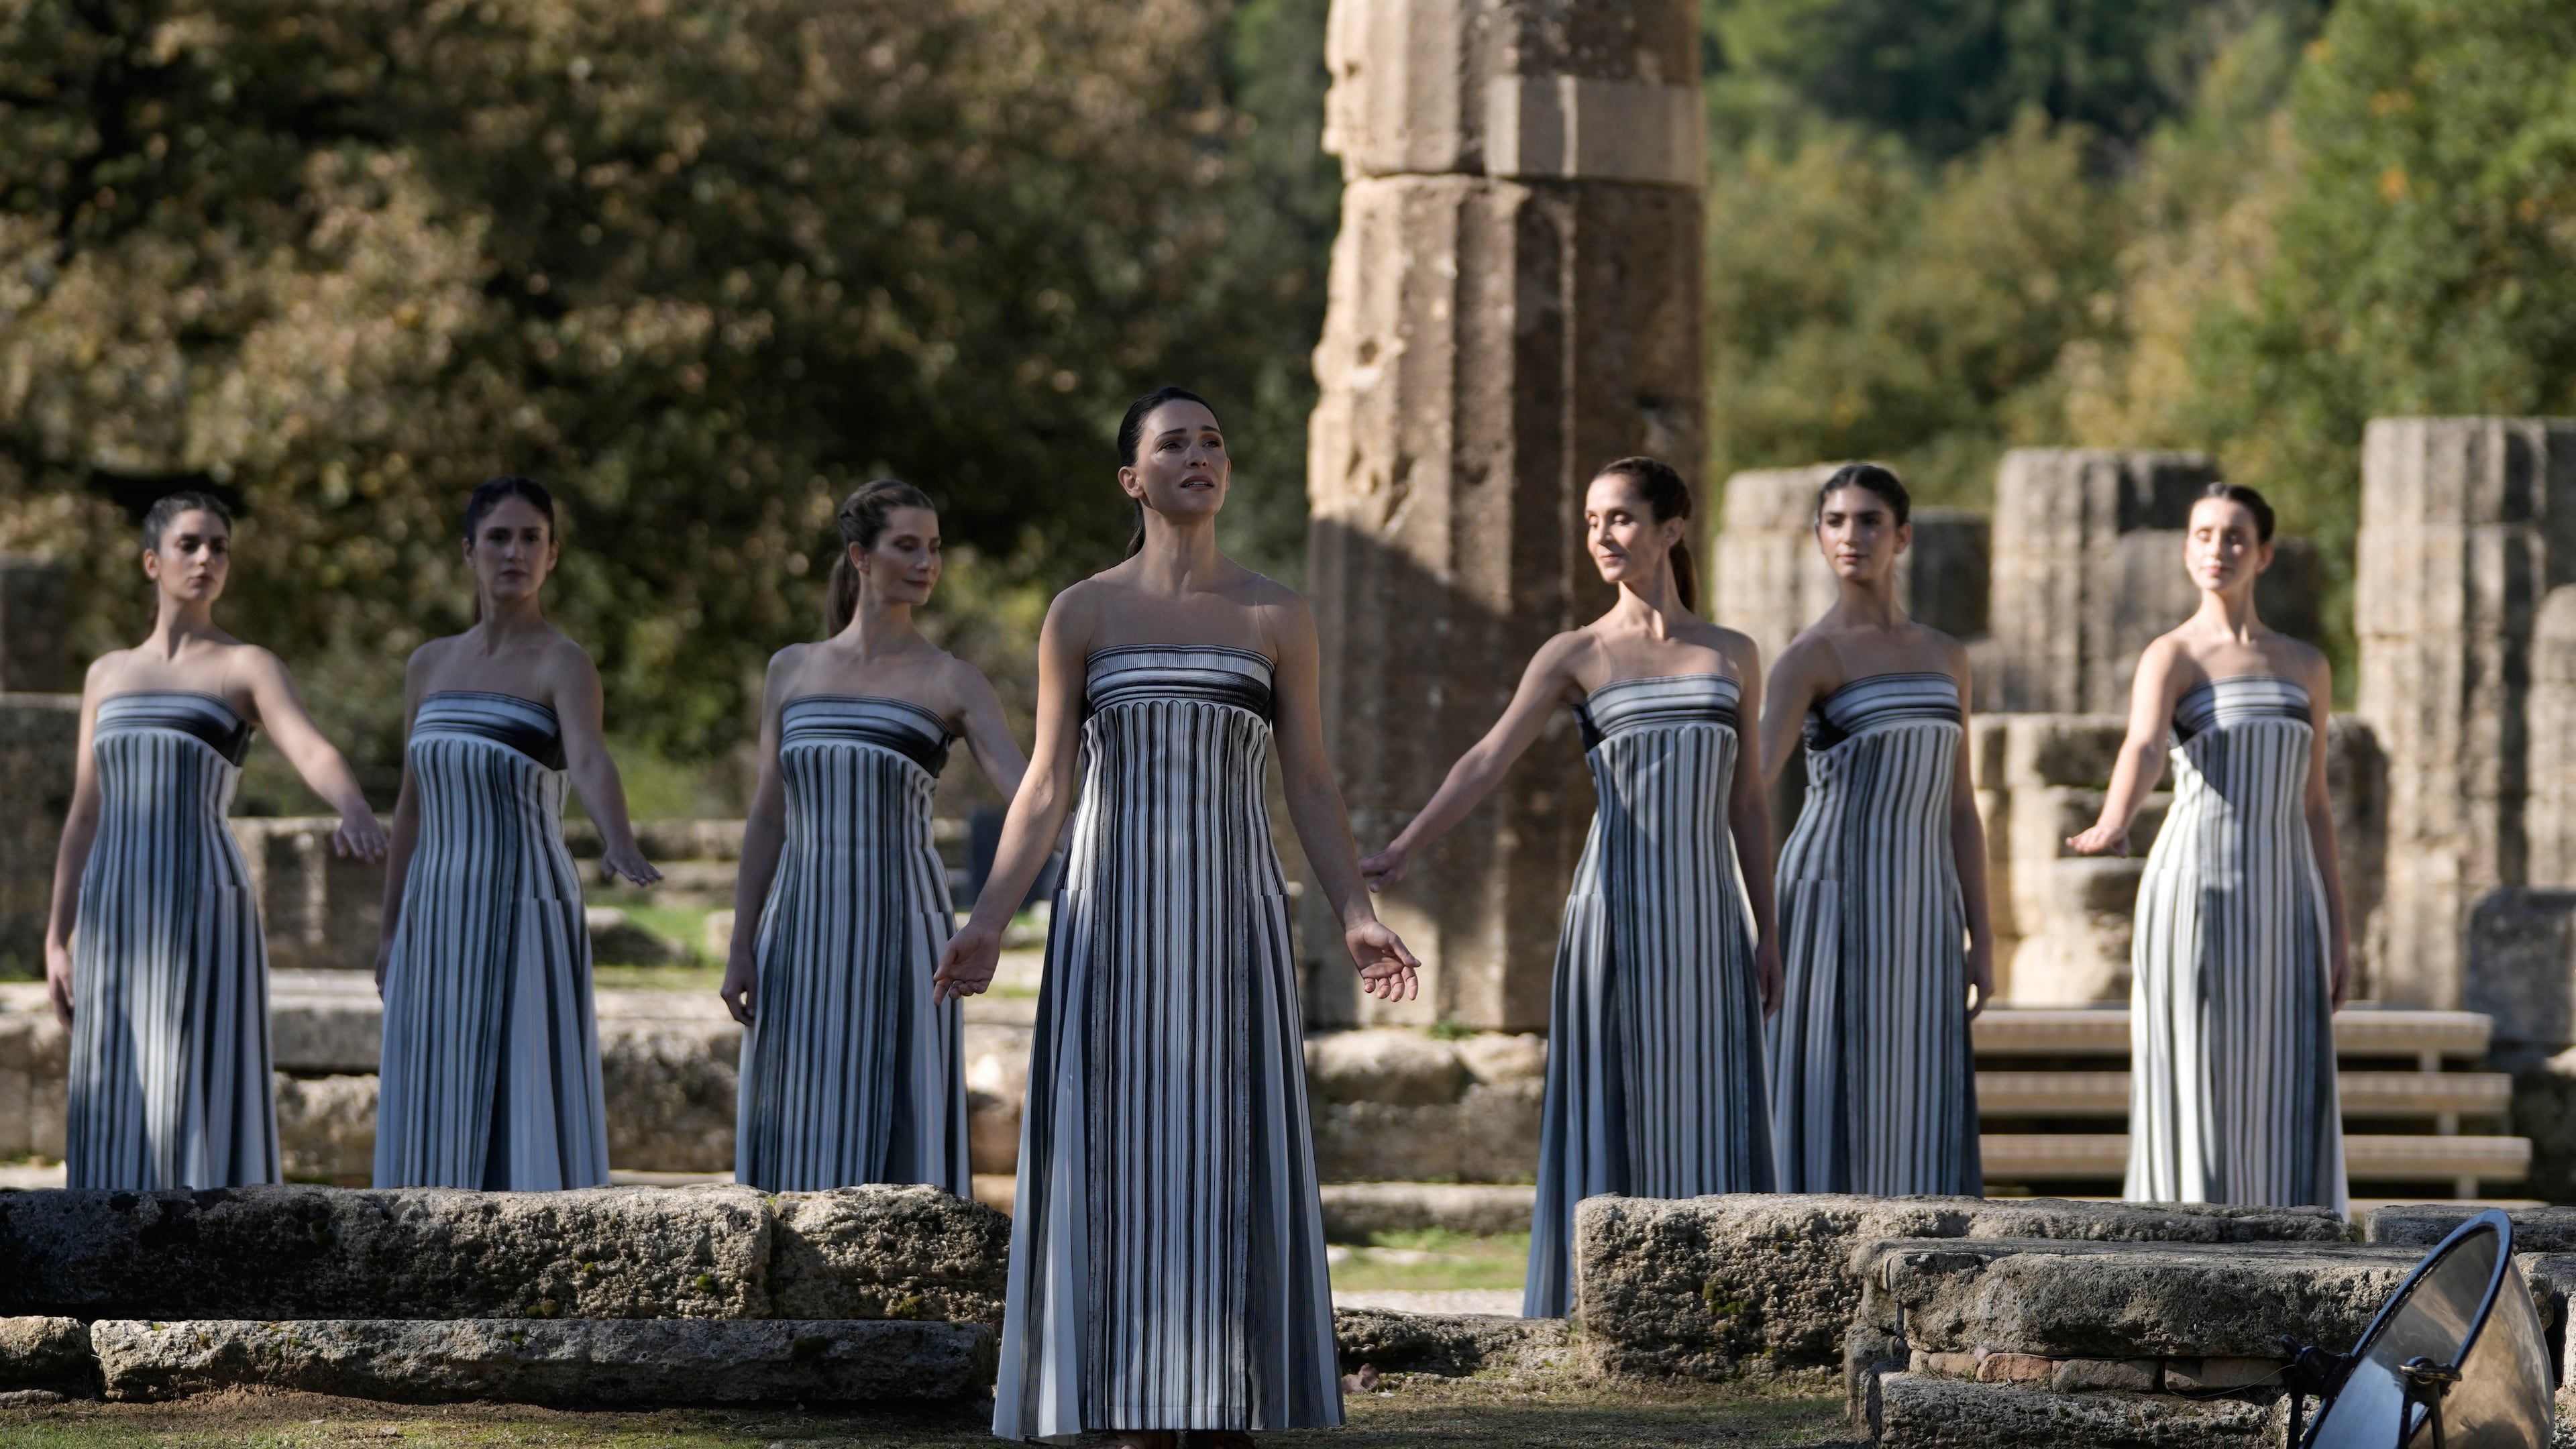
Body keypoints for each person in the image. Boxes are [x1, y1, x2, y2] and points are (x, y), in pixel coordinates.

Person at [935, 386, 1419, 1447]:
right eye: (1174, 444)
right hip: (1110, 921)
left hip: (1234, 925)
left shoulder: (1276, 615)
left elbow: (1311, 783)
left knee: (1227, 1156)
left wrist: (1356, 912)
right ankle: (1121, 1407)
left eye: (1213, 442)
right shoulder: (1083, 613)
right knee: (1116, 1159)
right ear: (1133, 479)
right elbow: (1045, 787)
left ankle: (1226, 1403)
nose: (1199, 456)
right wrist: (990, 920)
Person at [1358, 455, 1780, 1320]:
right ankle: (1600, 1308)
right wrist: (1405, 847)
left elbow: (1747, 803)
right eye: (1592, 521)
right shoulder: (1577, 653)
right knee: (1617, 1101)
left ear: (1670, 528)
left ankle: (1723, 1306)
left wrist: (1768, 930)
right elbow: (1486, 758)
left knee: (1716, 1094)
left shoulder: (1733, 653)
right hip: (1614, 910)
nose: (1601, 536)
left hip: (1708, 915)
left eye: (1619, 517)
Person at [44, 492, 387, 1190]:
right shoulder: (106, 674)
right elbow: (84, 814)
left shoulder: (246, 666)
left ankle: (208, 1234)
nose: (206, 558)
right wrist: (56, 938)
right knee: (113, 1077)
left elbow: (309, 747)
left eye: (219, 547)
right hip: (112, 906)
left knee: (191, 1072)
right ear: (152, 562)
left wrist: (353, 804)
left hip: (201, 896)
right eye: (190, 545)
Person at [720, 480, 1028, 1193]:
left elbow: (1030, 800)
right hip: (795, 932)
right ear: (860, 556)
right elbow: (768, 816)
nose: (926, 563)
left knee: (896, 1131)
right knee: (791, 1121)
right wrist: (741, 942)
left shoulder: (952, 681)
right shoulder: (791, 669)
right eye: (907, 547)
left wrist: (994, 915)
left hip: (905, 936)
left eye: (934, 548)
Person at [372, 476, 659, 1191]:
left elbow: (589, 759)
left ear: (552, 555)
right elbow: (412, 805)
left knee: (522, 1087)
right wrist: (390, 929)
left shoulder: (563, 662)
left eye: (532, 538)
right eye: (499, 537)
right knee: (435, 1083)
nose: (515, 552)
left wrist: (618, 838)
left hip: (524, 906)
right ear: (469, 551)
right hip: (436, 911)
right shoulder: (428, 664)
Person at [2067, 482, 2348, 1212]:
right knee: (2200, 1071)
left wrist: (2339, 932)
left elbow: (2315, 805)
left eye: (2233, 536)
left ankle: (2293, 1242)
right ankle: (2189, 1235)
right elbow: (2142, 746)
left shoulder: (2305, 665)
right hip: (2196, 886)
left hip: (2287, 896)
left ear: (2263, 554)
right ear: (2187, 550)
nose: (2217, 549)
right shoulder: (2173, 655)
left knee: (2285, 1076)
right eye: (2202, 535)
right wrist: (2115, 817)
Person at [1760, 462, 1992, 1196]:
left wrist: (1983, 937)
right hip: (1831, 898)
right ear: (1818, 537)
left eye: (1869, 521)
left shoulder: (1947, 656)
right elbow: (1749, 787)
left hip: (1925, 906)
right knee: (1834, 1088)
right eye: (1835, 522)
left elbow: (1961, 807)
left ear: (1903, 537)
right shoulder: (1810, 656)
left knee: (1920, 1085)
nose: (1850, 536)